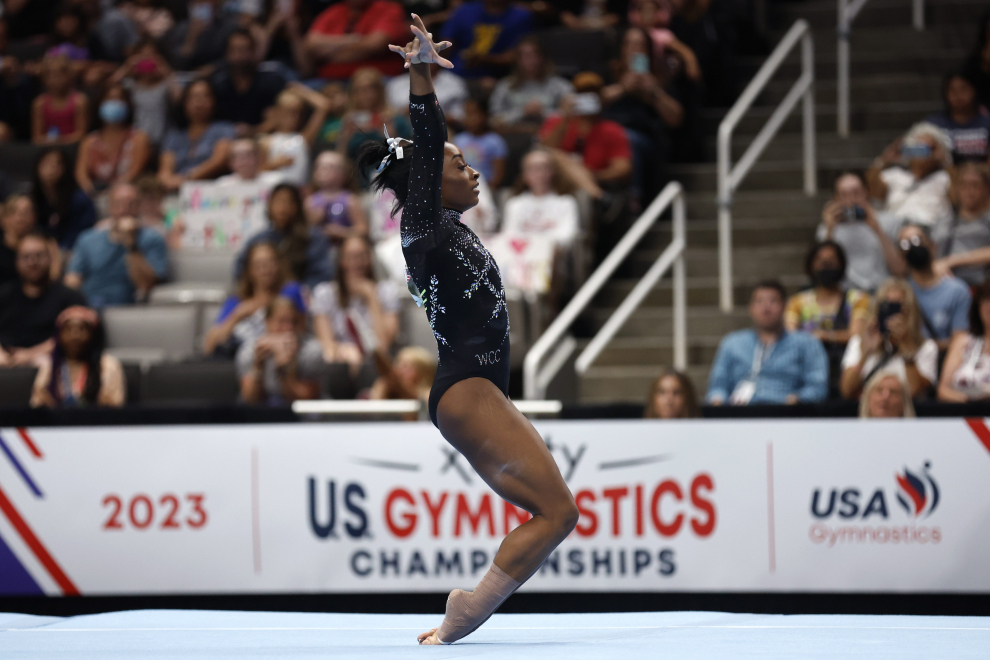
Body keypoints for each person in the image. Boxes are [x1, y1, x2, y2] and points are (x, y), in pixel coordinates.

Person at [361, 21, 578, 644]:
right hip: (467, 386)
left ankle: (467, 610)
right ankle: (469, 611)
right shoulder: (422, 227)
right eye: (459, 162)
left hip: (479, 387)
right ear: (427, 181)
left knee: (556, 513)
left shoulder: (446, 229)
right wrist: (420, 73)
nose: (471, 168)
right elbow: (429, 142)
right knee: (558, 512)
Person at [706, 281, 829, 406]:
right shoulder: (732, 343)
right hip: (740, 414)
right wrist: (718, 402)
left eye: (773, 301)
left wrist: (798, 399)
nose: (766, 308)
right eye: (759, 302)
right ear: (751, 308)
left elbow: (817, 387)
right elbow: (717, 386)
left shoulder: (806, 343)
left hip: (786, 413)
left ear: (785, 306)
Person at [311, 235, 400, 387]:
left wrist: (371, 297)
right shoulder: (324, 293)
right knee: (334, 369)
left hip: (374, 365)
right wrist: (347, 351)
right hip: (340, 363)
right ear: (341, 261)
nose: (357, 263)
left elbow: (383, 346)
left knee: (370, 369)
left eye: (362, 256)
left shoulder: (386, 292)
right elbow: (328, 345)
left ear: (370, 259)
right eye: (351, 257)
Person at [785, 241, 870, 397]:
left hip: (845, 367)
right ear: (811, 266)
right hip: (807, 370)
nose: (826, 266)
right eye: (821, 261)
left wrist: (824, 336)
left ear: (841, 264)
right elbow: (790, 338)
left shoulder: (857, 299)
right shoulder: (797, 302)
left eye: (831, 261)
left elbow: (857, 336)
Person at [839, 278, 939, 400]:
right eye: (886, 306)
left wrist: (906, 348)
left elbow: (914, 391)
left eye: (897, 307)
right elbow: (847, 391)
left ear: (910, 311)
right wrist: (865, 353)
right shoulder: (858, 342)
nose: (892, 314)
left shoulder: (926, 347)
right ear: (877, 308)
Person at [539, 72, 633, 200]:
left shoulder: (612, 129)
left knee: (580, 194)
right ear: (573, 97)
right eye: (582, 95)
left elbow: (623, 169)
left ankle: (593, 194)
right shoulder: (557, 122)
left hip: (594, 182)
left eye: (593, 96)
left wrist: (589, 175)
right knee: (556, 155)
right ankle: (598, 198)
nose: (587, 99)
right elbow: (543, 151)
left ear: (601, 98)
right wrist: (565, 118)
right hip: (555, 184)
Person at [0, 232, 88, 367]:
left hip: (51, 364)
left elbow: (76, 336)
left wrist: (29, 355)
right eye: (26, 257)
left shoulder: (70, 297)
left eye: (39, 256)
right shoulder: (4, 295)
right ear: (16, 261)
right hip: (5, 362)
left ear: (50, 258)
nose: (32, 262)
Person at [65, 195, 168, 307]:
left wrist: (131, 244)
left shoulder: (152, 238)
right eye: (118, 204)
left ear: (139, 207)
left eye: (131, 204)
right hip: (91, 305)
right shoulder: (88, 239)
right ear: (109, 208)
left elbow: (147, 285)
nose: (124, 210)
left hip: (130, 307)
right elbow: (72, 279)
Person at [204, 241, 302, 357]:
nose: (265, 269)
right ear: (249, 270)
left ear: (278, 265)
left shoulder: (290, 292)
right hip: (244, 360)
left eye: (270, 262)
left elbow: (302, 329)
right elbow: (209, 346)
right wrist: (238, 315)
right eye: (258, 264)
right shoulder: (237, 302)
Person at [817, 172, 906, 293]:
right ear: (836, 198)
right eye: (844, 195)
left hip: (882, 292)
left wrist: (877, 228)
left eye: (856, 193)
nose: (851, 200)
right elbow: (821, 271)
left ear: (866, 191)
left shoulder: (889, 222)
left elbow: (900, 270)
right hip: (846, 295)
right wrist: (830, 230)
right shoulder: (827, 229)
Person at [235, 183, 333, 289]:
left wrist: (297, 293)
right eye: (278, 201)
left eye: (289, 202)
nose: (283, 208)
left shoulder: (312, 237)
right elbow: (240, 269)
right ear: (270, 205)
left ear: (298, 207)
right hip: (264, 296)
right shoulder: (259, 239)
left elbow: (321, 275)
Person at [30, 306, 125, 408]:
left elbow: (114, 407)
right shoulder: (49, 365)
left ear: (93, 335)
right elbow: (37, 406)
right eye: (68, 329)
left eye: (81, 329)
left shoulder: (108, 365)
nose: (74, 336)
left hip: (96, 422)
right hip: (56, 422)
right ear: (59, 336)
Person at [866, 122, 955, 229]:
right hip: (896, 229)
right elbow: (871, 189)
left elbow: (957, 198)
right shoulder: (894, 175)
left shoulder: (944, 177)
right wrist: (884, 159)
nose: (922, 152)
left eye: (929, 148)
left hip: (930, 230)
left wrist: (945, 160)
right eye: (918, 146)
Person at [237, 295, 322, 405]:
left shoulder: (312, 352)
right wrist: (258, 366)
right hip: (263, 415)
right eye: (282, 321)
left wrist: (285, 371)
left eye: (294, 322)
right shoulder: (250, 352)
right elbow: (250, 400)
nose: (289, 328)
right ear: (267, 322)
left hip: (306, 419)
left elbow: (307, 400)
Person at [898, 223, 971, 349]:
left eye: (918, 240)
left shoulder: (958, 291)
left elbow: (960, 341)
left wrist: (924, 347)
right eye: (906, 244)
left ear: (933, 245)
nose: (913, 248)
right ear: (901, 255)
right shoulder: (901, 293)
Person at [159, 78, 236, 191]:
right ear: (184, 103)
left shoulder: (224, 129)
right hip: (176, 190)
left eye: (205, 96)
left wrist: (186, 179)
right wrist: (168, 181)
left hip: (213, 189)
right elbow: (164, 171)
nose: (199, 102)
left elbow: (219, 160)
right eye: (194, 97)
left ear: (214, 101)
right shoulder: (174, 136)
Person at [74, 84, 151, 195]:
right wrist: (92, 193)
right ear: (100, 104)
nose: (114, 103)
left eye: (119, 99)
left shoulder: (139, 138)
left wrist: (112, 194)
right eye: (109, 99)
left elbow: (134, 173)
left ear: (128, 105)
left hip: (126, 196)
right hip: (94, 195)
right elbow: (81, 174)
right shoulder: (89, 141)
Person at [304, 0, 408, 81]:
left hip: (378, 80)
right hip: (329, 80)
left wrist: (328, 56)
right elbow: (311, 44)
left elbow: (375, 45)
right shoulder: (333, 12)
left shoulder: (389, 9)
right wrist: (354, 39)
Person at [488, 36, 572, 132]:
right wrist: (522, 112)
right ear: (517, 60)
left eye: (535, 55)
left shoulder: (559, 85)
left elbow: (570, 114)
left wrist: (543, 112)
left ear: (542, 58)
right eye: (526, 56)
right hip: (514, 136)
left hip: (549, 135)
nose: (532, 61)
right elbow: (493, 120)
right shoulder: (505, 86)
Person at [209, 28, 286, 129]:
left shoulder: (270, 82)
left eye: (243, 50)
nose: (238, 56)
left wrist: (253, 131)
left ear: (253, 52)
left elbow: (277, 119)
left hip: (262, 137)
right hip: (223, 139)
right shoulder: (218, 86)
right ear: (227, 53)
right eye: (233, 50)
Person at [501, 148, 580, 247]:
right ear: (524, 175)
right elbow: (509, 235)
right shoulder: (515, 204)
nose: (539, 173)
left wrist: (541, 243)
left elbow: (568, 235)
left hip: (554, 254)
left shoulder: (566, 202)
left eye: (543, 168)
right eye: (532, 168)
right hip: (523, 255)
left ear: (552, 172)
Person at [259, 84, 332, 187]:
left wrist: (300, 90)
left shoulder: (303, 139)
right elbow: (254, 171)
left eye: (298, 113)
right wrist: (275, 164)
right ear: (278, 112)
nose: (294, 117)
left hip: (298, 193)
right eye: (289, 112)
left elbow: (324, 106)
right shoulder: (266, 141)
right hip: (272, 193)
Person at [441, 0, 533, 79]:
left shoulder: (520, 16)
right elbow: (445, 46)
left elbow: (517, 55)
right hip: (453, 74)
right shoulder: (464, 11)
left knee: (488, 85)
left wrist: (486, 60)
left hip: (494, 77)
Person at [336, 67, 412, 161]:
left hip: (389, 168)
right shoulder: (349, 121)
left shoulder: (394, 118)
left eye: (370, 89)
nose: (366, 95)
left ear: (380, 91)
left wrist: (391, 136)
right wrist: (345, 137)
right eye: (360, 90)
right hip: (355, 170)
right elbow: (340, 157)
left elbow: (408, 154)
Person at [932, 162, 990, 286]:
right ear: (957, 189)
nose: (970, 191)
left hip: (979, 285)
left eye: (975, 185)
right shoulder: (946, 219)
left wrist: (952, 262)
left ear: (986, 189)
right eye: (964, 185)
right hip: (942, 281)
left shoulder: (987, 219)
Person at [31, 148, 98, 252]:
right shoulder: (33, 197)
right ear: (38, 166)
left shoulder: (80, 200)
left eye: (57, 164)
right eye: (47, 162)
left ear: (65, 168)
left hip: (72, 250)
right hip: (39, 249)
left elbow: (84, 234)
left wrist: (58, 251)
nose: (51, 168)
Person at [108, 39, 174, 145]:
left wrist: (165, 70)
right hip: (137, 140)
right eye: (143, 56)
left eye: (151, 56)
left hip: (162, 140)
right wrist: (127, 66)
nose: (147, 60)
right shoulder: (131, 86)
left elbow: (179, 96)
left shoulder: (164, 86)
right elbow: (110, 86)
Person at [938, 280, 990, 402]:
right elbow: (943, 390)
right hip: (966, 414)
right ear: (978, 306)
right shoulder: (963, 342)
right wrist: (972, 400)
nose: (989, 306)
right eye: (986, 299)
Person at [925, 72, 990, 165]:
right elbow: (909, 151)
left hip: (981, 175)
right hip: (942, 175)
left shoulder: (987, 122)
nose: (958, 95)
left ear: (975, 90)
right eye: (952, 90)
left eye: (963, 89)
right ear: (945, 93)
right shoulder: (933, 124)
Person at [305, 150, 368, 244]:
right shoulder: (310, 201)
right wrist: (312, 220)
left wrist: (342, 232)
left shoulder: (350, 200)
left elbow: (363, 229)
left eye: (331, 167)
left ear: (344, 173)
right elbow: (301, 229)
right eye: (321, 167)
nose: (325, 171)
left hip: (343, 246)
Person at [0, 195, 58, 288]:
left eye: (26, 212)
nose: (21, 218)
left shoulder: (46, 245)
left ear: (34, 218)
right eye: (14, 212)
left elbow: (54, 278)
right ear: (4, 219)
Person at [164, 0, 238, 71]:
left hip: (220, 76)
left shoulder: (229, 27)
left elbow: (235, 57)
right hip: (189, 76)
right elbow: (177, 63)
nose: (201, 5)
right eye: (197, 2)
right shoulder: (180, 29)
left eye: (205, 1)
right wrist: (191, 38)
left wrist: (214, 68)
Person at [31, 55, 88, 145]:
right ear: (45, 78)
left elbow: (81, 135)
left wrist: (59, 141)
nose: (55, 80)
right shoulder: (40, 103)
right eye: (51, 76)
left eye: (59, 76)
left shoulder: (79, 101)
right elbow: (37, 137)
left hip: (72, 148)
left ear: (69, 76)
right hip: (47, 148)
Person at [387, 62, 469, 125]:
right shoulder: (396, 84)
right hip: (403, 133)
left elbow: (461, 118)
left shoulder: (455, 83)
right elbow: (387, 114)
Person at [452, 99, 508, 189]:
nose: (469, 118)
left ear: (484, 116)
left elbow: (498, 175)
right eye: (466, 114)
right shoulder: (458, 140)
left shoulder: (495, 141)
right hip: (460, 187)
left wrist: (485, 190)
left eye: (473, 114)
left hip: (485, 188)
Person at [368, 345, 436, 405]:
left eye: (405, 366)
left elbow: (416, 398)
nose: (398, 369)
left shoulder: (431, 395)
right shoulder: (386, 388)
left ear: (422, 373)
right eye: (398, 363)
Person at [216, 137, 285, 187]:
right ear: (231, 162)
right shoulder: (223, 185)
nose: (244, 161)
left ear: (258, 158)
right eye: (238, 157)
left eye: (248, 155)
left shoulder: (275, 182)